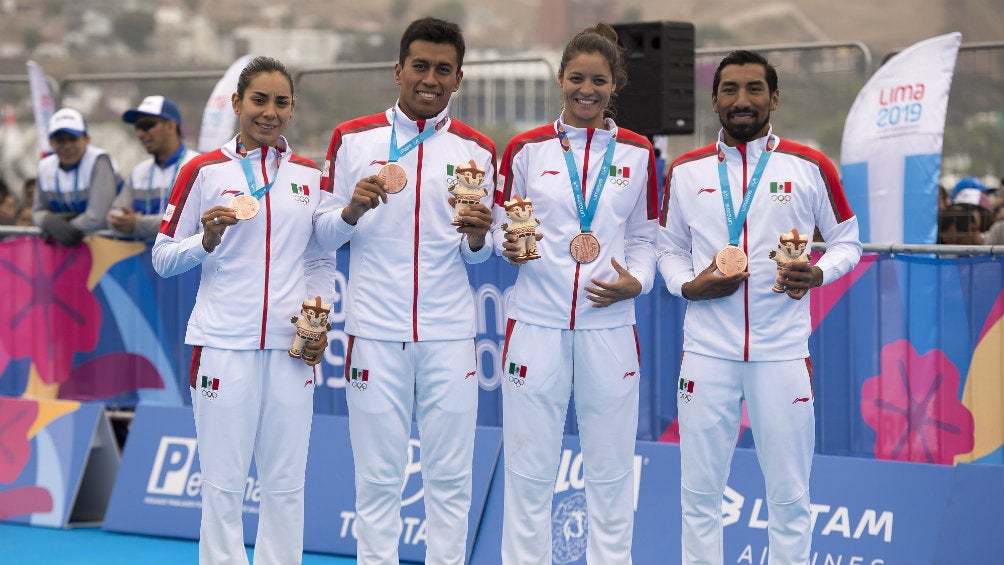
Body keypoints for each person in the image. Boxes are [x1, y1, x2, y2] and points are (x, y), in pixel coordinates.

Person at [657, 50, 861, 565]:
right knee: (700, 496)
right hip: (706, 352)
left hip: (782, 355)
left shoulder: (810, 165)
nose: (741, 100)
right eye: (729, 89)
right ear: (714, 99)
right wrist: (687, 286)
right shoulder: (685, 171)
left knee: (790, 497)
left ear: (774, 98)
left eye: (753, 89)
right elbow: (666, 249)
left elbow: (848, 242)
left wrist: (818, 273)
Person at [315, 16, 495, 565]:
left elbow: (480, 255)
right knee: (377, 480)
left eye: (444, 69)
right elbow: (322, 233)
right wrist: (351, 210)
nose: (431, 79)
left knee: (450, 480)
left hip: (448, 335)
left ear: (458, 79)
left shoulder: (479, 150)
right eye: (421, 66)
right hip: (375, 332)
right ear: (398, 70)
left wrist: (480, 236)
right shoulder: (352, 139)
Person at [151, 56, 335, 565]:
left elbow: (319, 257)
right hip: (222, 346)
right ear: (237, 104)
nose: (269, 112)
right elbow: (163, 257)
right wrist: (205, 241)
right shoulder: (203, 171)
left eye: (280, 102)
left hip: (290, 351)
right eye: (259, 100)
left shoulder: (309, 175)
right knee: (223, 486)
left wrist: (318, 316)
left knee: (286, 485)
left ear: (292, 108)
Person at [491, 22, 658, 564]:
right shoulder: (525, 149)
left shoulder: (638, 153)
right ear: (561, 79)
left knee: (610, 474)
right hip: (535, 324)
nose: (587, 90)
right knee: (527, 469)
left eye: (600, 81)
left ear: (616, 85)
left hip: (609, 326)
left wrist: (640, 280)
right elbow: (497, 225)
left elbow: (645, 237)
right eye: (577, 78)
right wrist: (504, 247)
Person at [109, 95, 199, 240]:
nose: (140, 133)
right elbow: (114, 215)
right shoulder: (138, 172)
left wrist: (138, 224)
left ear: (170, 126)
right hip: (143, 260)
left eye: (147, 125)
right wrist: (124, 221)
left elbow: (191, 220)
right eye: (137, 127)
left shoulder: (198, 165)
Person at [33, 108, 122, 246]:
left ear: (86, 140)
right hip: (69, 248)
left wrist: (60, 228)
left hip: (107, 246)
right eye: (60, 140)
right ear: (51, 142)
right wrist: (47, 221)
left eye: (73, 139)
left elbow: (97, 217)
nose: (67, 146)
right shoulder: (45, 166)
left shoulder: (99, 161)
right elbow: (37, 211)